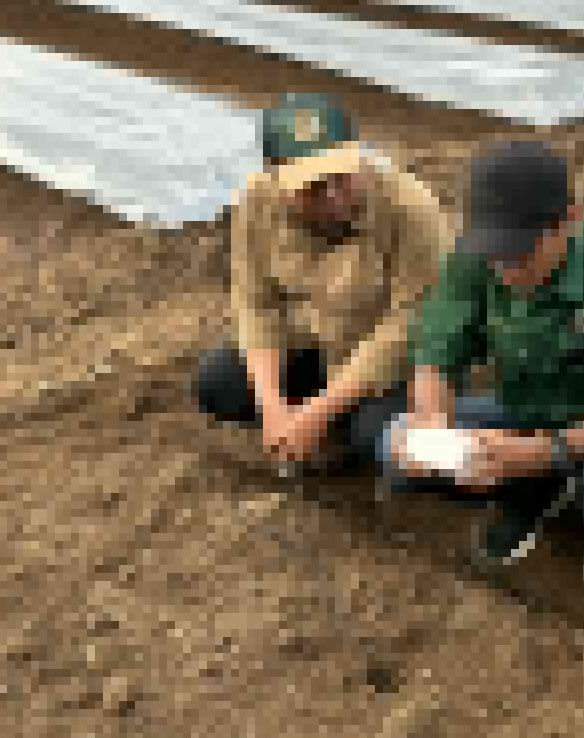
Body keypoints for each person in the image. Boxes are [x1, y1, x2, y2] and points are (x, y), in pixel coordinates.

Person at [377, 138, 584, 570]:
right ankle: (533, 482)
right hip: (524, 411)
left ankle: (544, 481)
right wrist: (433, 428)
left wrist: (543, 452)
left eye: (521, 253)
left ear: (569, 222)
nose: (505, 270)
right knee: (395, 440)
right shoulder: (475, 256)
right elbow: (436, 353)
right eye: (494, 254)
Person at [194, 93, 455, 473]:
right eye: (313, 186)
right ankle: (315, 425)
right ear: (277, 180)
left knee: (372, 434)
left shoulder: (411, 210)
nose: (333, 197)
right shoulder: (256, 202)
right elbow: (257, 303)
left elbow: (408, 326)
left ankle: (339, 431)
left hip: (396, 363)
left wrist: (319, 412)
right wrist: (272, 407)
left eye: (342, 177)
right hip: (319, 341)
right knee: (220, 384)